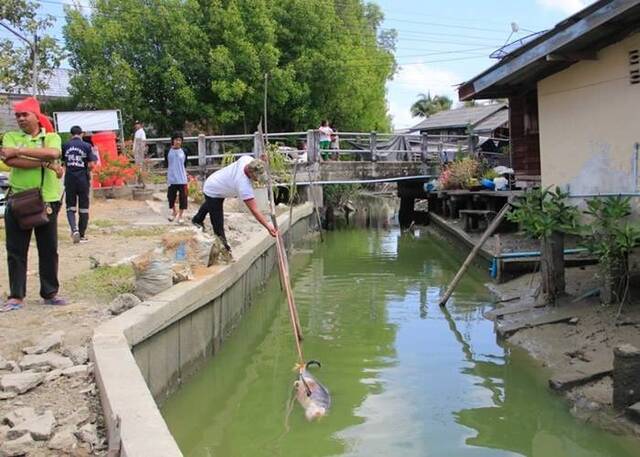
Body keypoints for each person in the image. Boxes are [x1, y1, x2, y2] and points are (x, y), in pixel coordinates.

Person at [0, 96, 66, 311]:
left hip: (47, 200)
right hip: (19, 201)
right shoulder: (10, 135)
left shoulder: (52, 137)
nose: (20, 119)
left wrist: (19, 151)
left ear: (36, 116)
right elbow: (9, 161)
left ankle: (50, 293)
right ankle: (16, 296)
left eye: (24, 114)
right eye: (17, 115)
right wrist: (47, 164)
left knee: (49, 249)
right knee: (16, 250)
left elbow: (53, 152)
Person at [192, 155, 276, 252]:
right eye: (256, 177)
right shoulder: (243, 185)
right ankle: (224, 250)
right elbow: (255, 210)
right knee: (218, 223)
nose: (257, 180)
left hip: (217, 180)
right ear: (250, 173)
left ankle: (197, 220)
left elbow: (257, 163)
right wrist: (268, 226)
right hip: (214, 190)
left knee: (210, 205)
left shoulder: (247, 159)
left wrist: (262, 160)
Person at [62, 125, 97, 243]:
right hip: (83, 180)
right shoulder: (87, 146)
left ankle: (74, 229)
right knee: (84, 208)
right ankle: (82, 235)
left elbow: (63, 162)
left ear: (71, 134)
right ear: (81, 134)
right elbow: (92, 164)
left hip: (70, 179)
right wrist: (88, 171)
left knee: (70, 207)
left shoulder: (65, 145)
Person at [164, 132, 188, 223]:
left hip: (182, 179)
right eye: (176, 140)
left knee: (183, 198)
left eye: (179, 140)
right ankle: (174, 212)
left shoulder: (184, 151)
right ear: (172, 141)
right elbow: (167, 162)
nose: (177, 142)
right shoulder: (168, 151)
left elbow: (184, 164)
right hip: (172, 179)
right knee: (171, 197)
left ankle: (181, 216)